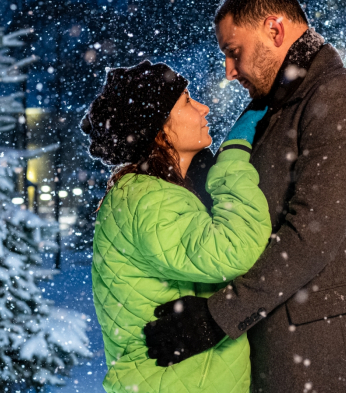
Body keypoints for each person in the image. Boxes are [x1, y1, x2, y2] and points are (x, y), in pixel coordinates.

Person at [144, 0, 346, 392]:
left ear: (275, 30)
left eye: (233, 52)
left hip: (329, 358)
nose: (229, 71)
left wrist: (216, 318)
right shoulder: (273, 107)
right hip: (291, 353)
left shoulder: (340, 98)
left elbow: (309, 238)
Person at [81, 60, 272, 393]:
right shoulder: (148, 199)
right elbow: (233, 250)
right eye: (186, 101)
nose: (204, 107)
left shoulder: (148, 193)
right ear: (158, 131)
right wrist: (232, 159)